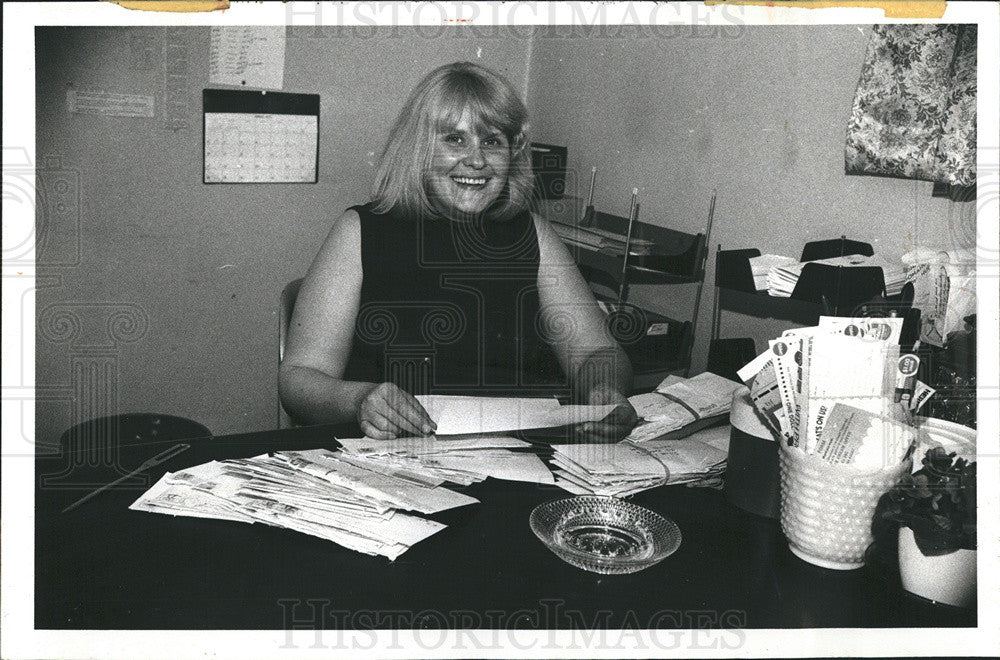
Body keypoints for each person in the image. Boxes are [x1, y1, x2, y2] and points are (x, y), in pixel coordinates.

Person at [279, 61, 637, 442]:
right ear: (419, 149)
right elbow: (299, 378)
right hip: (394, 459)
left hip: (518, 453)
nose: (477, 159)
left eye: (492, 141)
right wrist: (359, 400)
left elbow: (596, 351)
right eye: (455, 139)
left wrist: (603, 391)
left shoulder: (534, 234)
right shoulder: (358, 232)